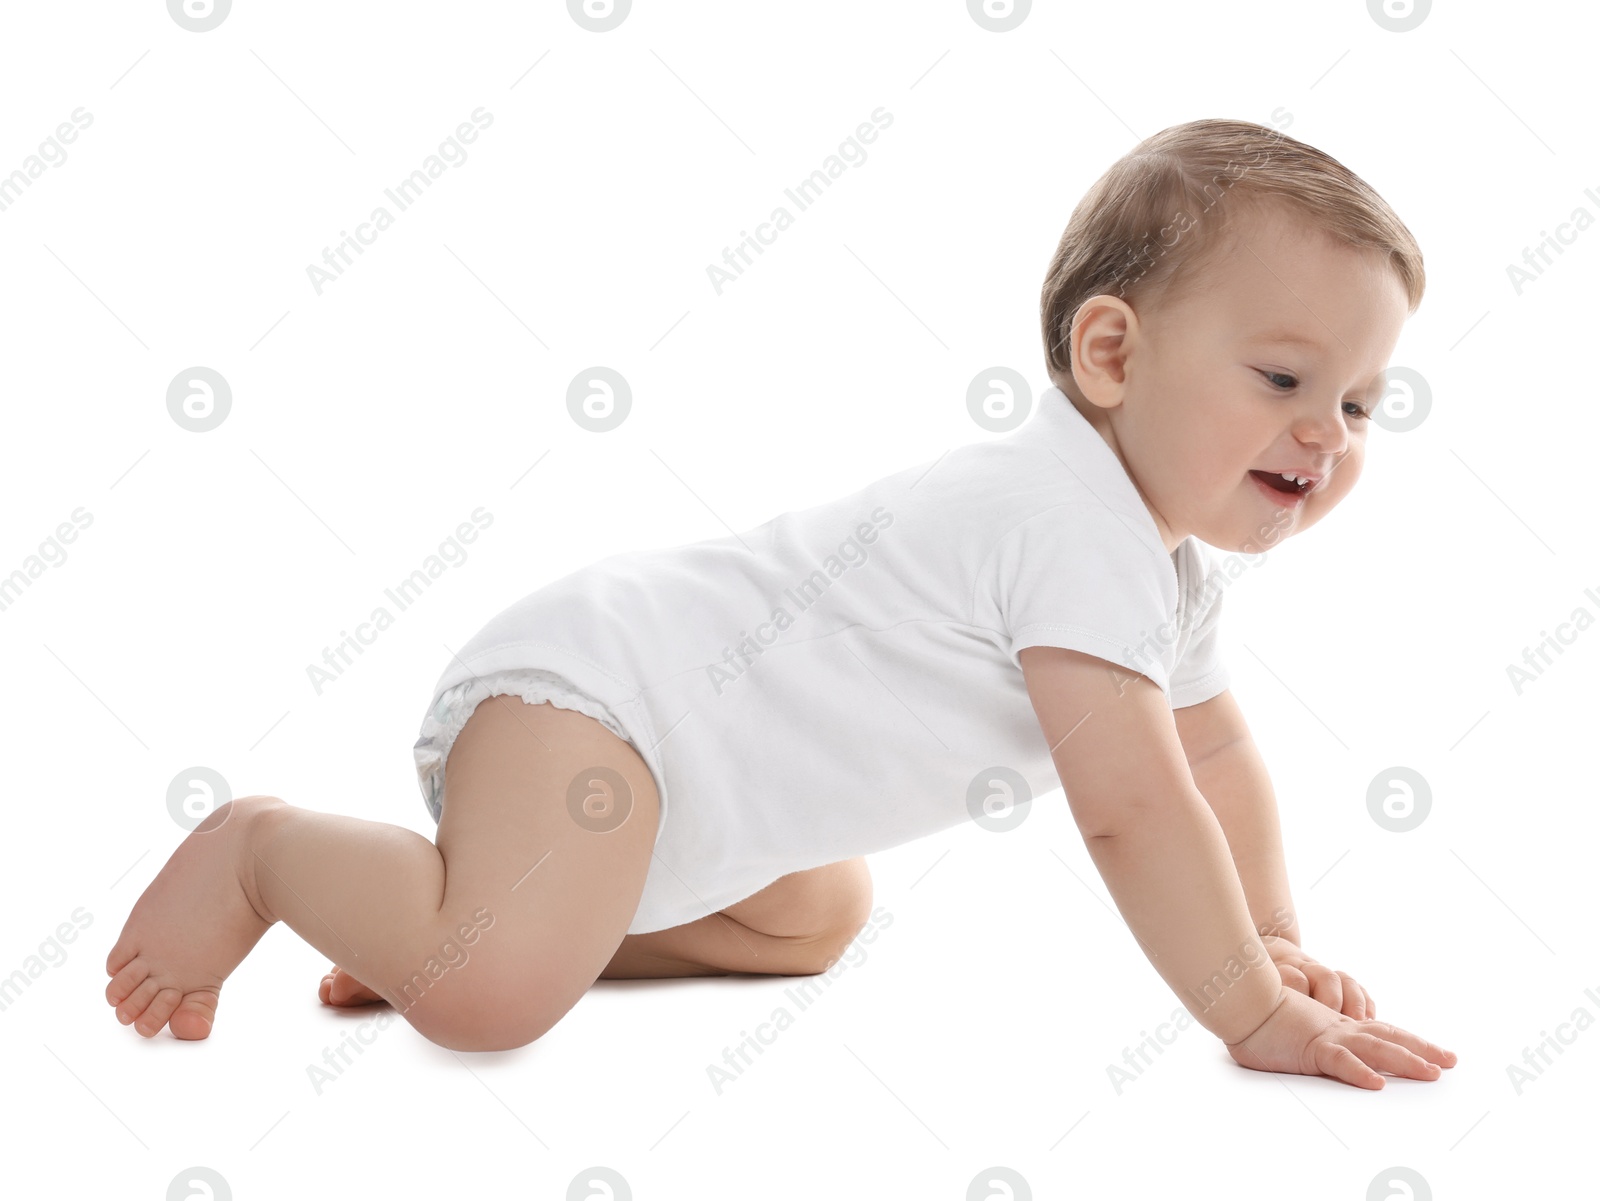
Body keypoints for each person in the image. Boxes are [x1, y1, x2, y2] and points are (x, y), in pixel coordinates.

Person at [106, 117, 1457, 1088]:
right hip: (599, 705)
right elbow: (1137, 804)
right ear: (1110, 353)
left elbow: (1218, 759)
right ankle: (271, 851)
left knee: (813, 916)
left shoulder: (1163, 571)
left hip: (681, 803)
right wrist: (1245, 1006)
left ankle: (442, 914)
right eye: (1283, 378)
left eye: (1360, 401)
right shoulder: (1067, 521)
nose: (1326, 433)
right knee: (490, 999)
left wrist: (1274, 939)